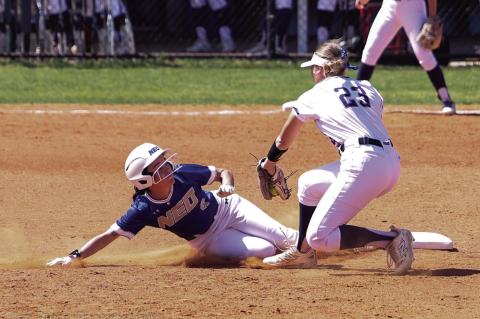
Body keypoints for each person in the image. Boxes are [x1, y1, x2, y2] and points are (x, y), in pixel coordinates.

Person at [258, 40, 415, 275]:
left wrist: (269, 163)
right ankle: (303, 253)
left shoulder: (316, 94)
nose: (312, 72)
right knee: (309, 183)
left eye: (313, 68)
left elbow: (283, 140)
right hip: (388, 161)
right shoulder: (367, 87)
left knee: (319, 237)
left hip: (363, 163)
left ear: (321, 69)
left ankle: (391, 239)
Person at [47, 142, 298, 266]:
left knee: (287, 239)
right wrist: (74, 256)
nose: (167, 165)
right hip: (207, 240)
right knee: (266, 250)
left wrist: (228, 185)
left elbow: (223, 172)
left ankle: (327, 239)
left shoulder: (183, 174)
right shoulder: (144, 208)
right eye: (158, 165)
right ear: (145, 179)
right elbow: (110, 234)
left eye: (164, 160)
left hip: (230, 209)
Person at [355, 0, 456, 115]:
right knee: (370, 52)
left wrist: (432, 16)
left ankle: (446, 99)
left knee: (424, 56)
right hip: (389, 6)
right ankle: (356, 97)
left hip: (413, 7)